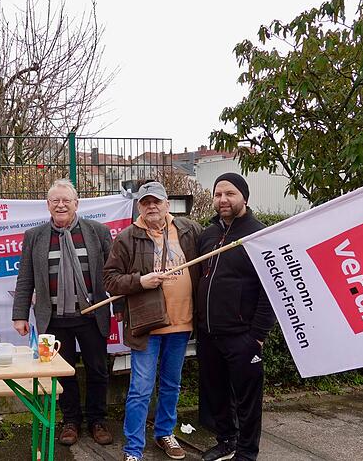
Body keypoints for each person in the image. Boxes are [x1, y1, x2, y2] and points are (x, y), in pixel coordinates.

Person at [104, 181, 202, 461]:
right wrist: (139, 281)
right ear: (139, 207)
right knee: (140, 388)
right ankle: (133, 448)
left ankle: (164, 433)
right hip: (146, 326)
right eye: (146, 202)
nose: (151, 207)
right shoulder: (127, 238)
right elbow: (110, 280)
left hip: (182, 324)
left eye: (156, 201)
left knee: (172, 383)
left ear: (166, 204)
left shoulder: (188, 230)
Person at [12, 178, 115, 446]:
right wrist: (19, 314)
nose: (61, 205)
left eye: (66, 200)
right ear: (47, 205)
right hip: (54, 319)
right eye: (55, 201)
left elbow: (114, 276)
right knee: (62, 373)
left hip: (91, 316)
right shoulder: (34, 237)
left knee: (98, 370)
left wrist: (124, 310)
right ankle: (70, 421)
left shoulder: (98, 232)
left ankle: (97, 420)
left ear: (76, 204)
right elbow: (25, 278)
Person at [195, 173, 276, 461]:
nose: (223, 200)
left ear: (244, 197)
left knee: (247, 400)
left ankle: (247, 452)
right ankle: (227, 441)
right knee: (216, 394)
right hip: (208, 333)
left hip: (242, 335)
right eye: (218, 194)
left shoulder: (258, 235)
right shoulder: (208, 235)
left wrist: (257, 336)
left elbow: (272, 289)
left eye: (230, 194)